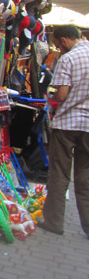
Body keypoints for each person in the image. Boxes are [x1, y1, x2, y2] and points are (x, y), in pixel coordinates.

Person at [40, 24, 89, 236]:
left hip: (67, 123)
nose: (58, 48)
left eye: (58, 44)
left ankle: (54, 222)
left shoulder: (68, 59)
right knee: (85, 177)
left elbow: (61, 95)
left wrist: (49, 98)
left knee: (59, 174)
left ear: (64, 40)